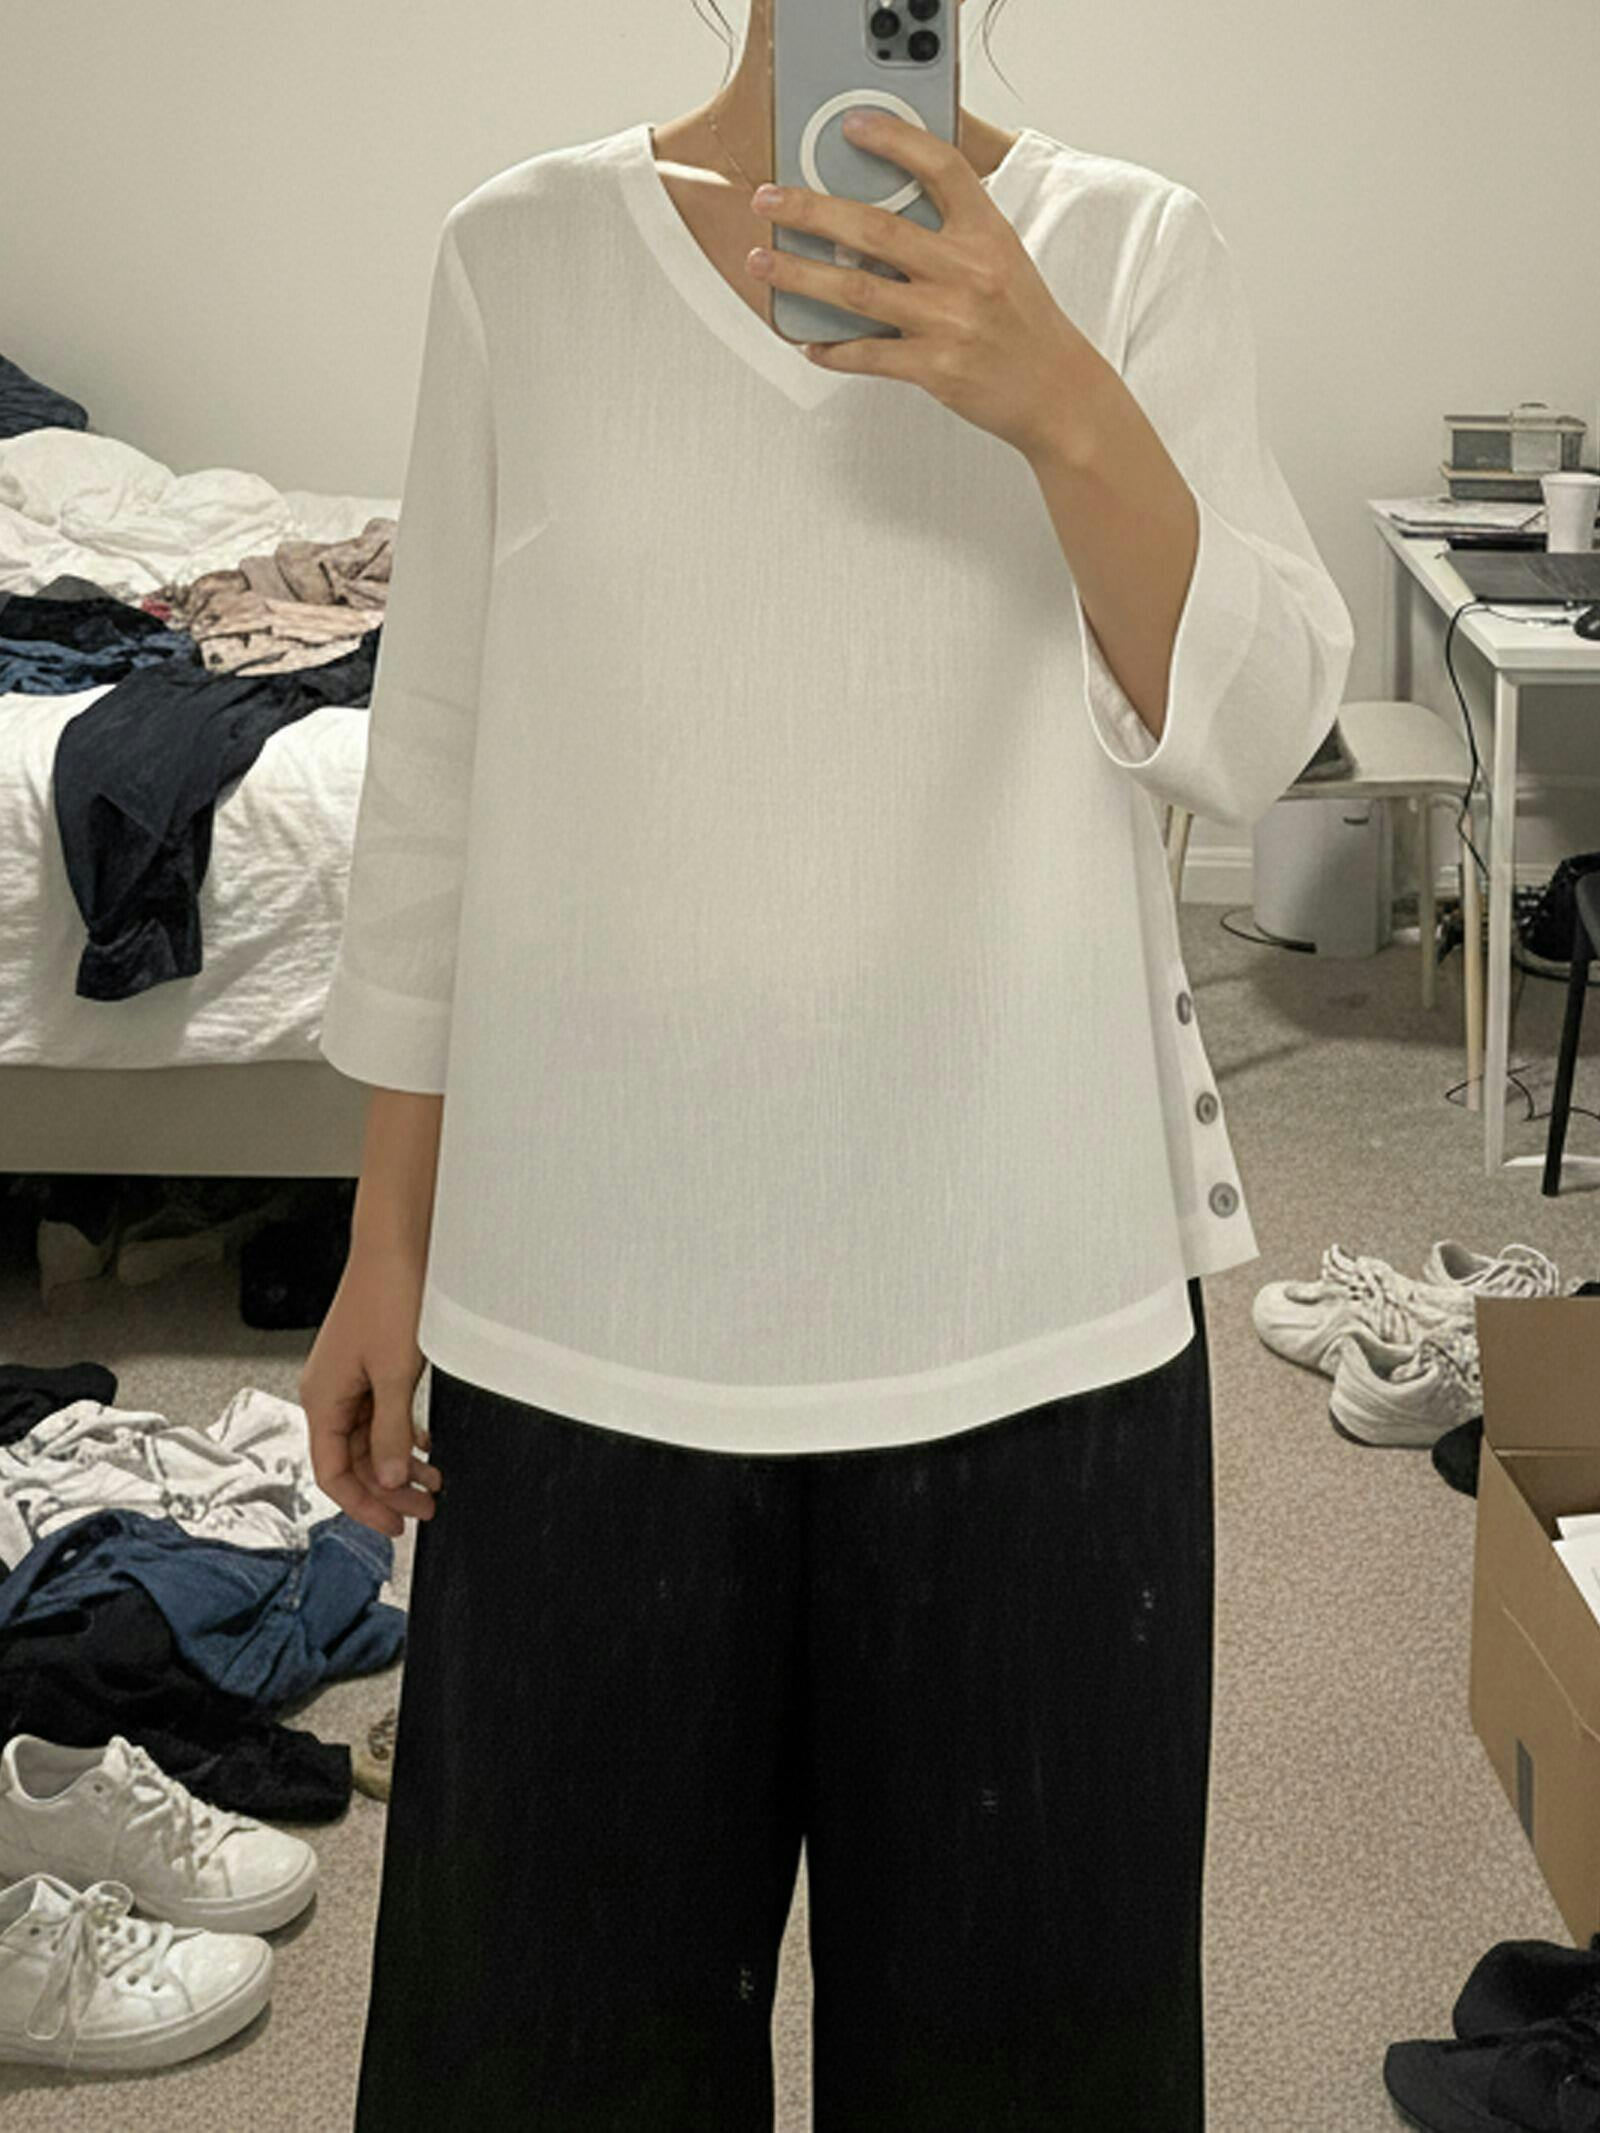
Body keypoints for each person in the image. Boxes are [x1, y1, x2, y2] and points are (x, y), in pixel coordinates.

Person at [299, 1, 1356, 2125]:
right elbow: (436, 782)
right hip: (584, 1326)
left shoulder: (1128, 250)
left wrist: (1054, 395)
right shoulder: (520, 256)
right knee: (548, 2057)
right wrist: (386, 1234)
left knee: (1029, 2069)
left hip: (1033, 1326)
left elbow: (1255, 734)